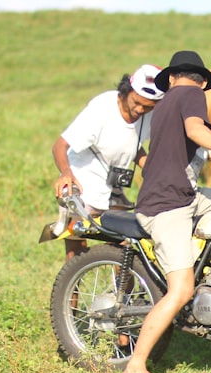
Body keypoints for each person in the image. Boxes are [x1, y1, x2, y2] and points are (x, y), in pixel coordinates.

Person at [119, 51, 211, 373]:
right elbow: (198, 131)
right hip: (166, 205)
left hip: (185, 195)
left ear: (171, 77)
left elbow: (201, 148)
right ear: (200, 81)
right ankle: (135, 367)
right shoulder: (191, 96)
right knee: (181, 290)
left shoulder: (168, 102)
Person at [52, 64, 163, 260]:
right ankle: (70, 291)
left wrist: (156, 171)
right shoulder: (103, 107)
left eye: (147, 107)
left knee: (126, 249)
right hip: (83, 185)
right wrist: (66, 174)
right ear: (127, 90)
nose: (139, 109)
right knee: (76, 253)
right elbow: (60, 145)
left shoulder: (149, 114)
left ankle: (122, 291)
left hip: (114, 190)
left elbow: (133, 146)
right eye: (136, 102)